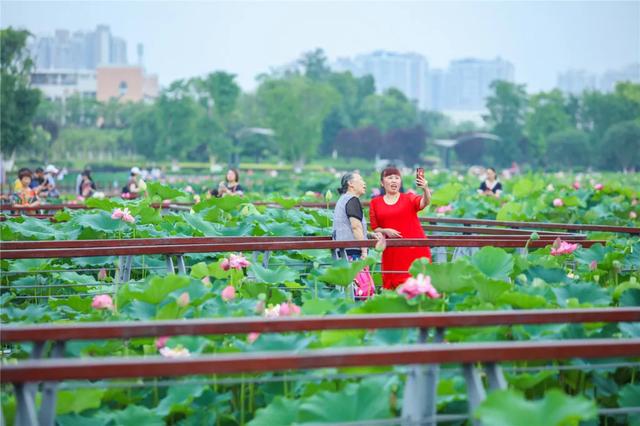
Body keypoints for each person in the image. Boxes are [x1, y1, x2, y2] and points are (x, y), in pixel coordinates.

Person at [369, 166, 432, 290]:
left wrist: (425, 188)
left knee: (418, 286)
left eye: (397, 178)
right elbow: (375, 228)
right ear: (382, 182)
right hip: (392, 252)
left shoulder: (408, 197)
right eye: (390, 177)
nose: (394, 181)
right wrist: (385, 230)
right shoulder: (375, 203)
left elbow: (425, 202)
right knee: (392, 286)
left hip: (415, 250)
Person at [332, 172, 383, 260]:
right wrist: (364, 250)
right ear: (350, 183)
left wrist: (369, 235)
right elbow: (355, 227)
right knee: (357, 274)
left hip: (343, 252)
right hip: (352, 253)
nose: (364, 183)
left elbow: (348, 227)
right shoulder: (352, 200)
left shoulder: (343, 199)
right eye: (360, 180)